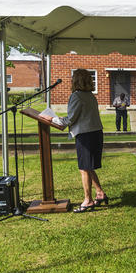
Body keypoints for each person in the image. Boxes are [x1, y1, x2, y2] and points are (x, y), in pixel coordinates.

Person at [41, 69, 108, 213]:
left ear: (76, 80)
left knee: (84, 168)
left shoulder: (76, 96)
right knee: (88, 166)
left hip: (86, 135)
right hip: (96, 133)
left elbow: (70, 119)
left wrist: (51, 119)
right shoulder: (90, 96)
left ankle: (88, 201)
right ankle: (100, 193)